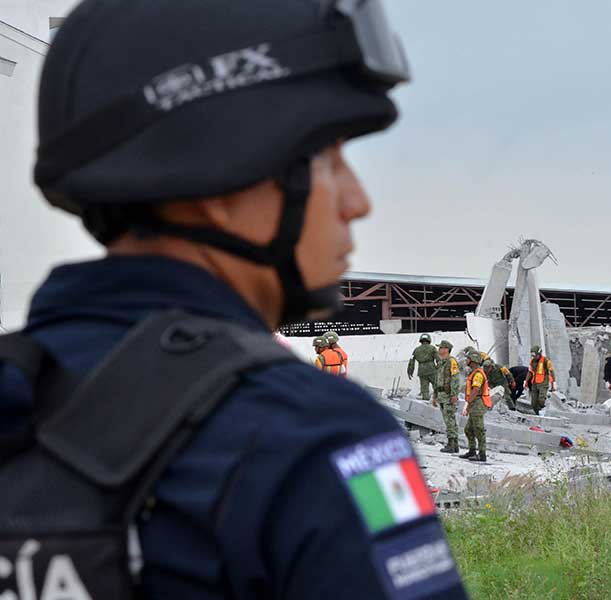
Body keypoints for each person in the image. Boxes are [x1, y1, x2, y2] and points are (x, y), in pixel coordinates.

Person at [0, 1, 467, 597]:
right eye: (329, 160)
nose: (357, 201)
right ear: (220, 177)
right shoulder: (314, 435)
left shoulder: (21, 400)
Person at [461, 350, 492, 462]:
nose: (466, 360)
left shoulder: (478, 374)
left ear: (473, 360)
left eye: (468, 358)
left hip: (478, 403)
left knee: (479, 429)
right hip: (475, 403)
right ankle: (472, 450)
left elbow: (476, 389)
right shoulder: (474, 372)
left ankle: (482, 454)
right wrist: (469, 405)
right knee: (468, 429)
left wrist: (467, 403)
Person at [433, 341, 461, 453]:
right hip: (441, 395)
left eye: (440, 348)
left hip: (448, 395)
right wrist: (434, 395)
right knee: (448, 420)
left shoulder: (451, 361)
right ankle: (454, 445)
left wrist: (454, 394)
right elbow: (437, 380)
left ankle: (452, 444)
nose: (439, 350)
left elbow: (455, 378)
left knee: (450, 420)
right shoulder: (441, 363)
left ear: (446, 349)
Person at [408, 333, 438, 401]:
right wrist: (439, 368)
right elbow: (438, 359)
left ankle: (425, 402)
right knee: (437, 386)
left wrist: (410, 371)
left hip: (422, 371)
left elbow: (411, 361)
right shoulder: (432, 348)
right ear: (429, 340)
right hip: (432, 370)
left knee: (424, 389)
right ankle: (438, 401)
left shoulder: (416, 350)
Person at [527, 345, 556, 414]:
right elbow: (530, 372)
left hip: (543, 382)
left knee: (541, 399)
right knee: (533, 403)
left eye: (535, 355)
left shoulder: (546, 361)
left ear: (539, 354)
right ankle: (537, 414)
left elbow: (551, 371)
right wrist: (526, 381)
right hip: (534, 383)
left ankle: (543, 409)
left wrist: (553, 383)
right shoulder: (532, 361)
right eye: (532, 355)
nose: (534, 357)